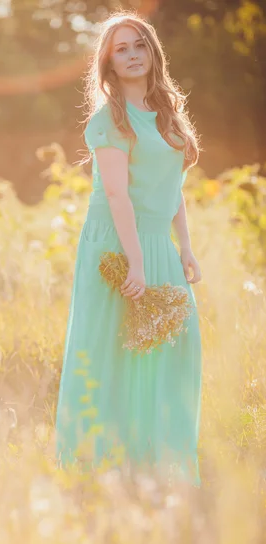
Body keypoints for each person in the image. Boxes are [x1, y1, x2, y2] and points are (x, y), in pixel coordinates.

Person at [54, 11, 203, 486]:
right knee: (111, 349)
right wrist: (135, 263)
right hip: (117, 243)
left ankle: (158, 463)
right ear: (108, 62)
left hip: (157, 239)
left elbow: (172, 186)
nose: (133, 54)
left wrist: (186, 248)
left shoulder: (168, 115)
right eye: (122, 49)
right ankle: (101, 468)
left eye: (140, 44)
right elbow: (117, 194)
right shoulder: (110, 119)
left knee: (174, 346)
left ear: (153, 52)